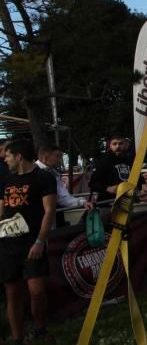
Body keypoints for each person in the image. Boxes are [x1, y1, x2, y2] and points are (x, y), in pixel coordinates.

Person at [1, 139, 57, 343]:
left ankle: (40, 328)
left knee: (37, 291)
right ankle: (17, 338)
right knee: (12, 292)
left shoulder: (43, 178)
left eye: (7, 155)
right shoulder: (6, 180)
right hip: (7, 245)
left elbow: (49, 211)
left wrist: (40, 241)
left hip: (32, 242)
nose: (4, 159)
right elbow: (1, 210)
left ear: (18, 156)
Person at [35, 145, 93, 224]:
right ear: (46, 158)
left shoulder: (53, 173)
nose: (59, 159)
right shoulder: (34, 172)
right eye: (57, 156)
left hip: (51, 217)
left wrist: (81, 202)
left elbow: (62, 197)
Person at [89, 134, 131, 203]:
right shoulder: (105, 161)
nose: (118, 146)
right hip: (108, 203)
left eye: (120, 143)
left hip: (126, 201)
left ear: (126, 145)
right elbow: (93, 184)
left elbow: (137, 177)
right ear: (110, 146)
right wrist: (107, 188)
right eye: (114, 144)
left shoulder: (129, 160)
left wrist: (143, 185)